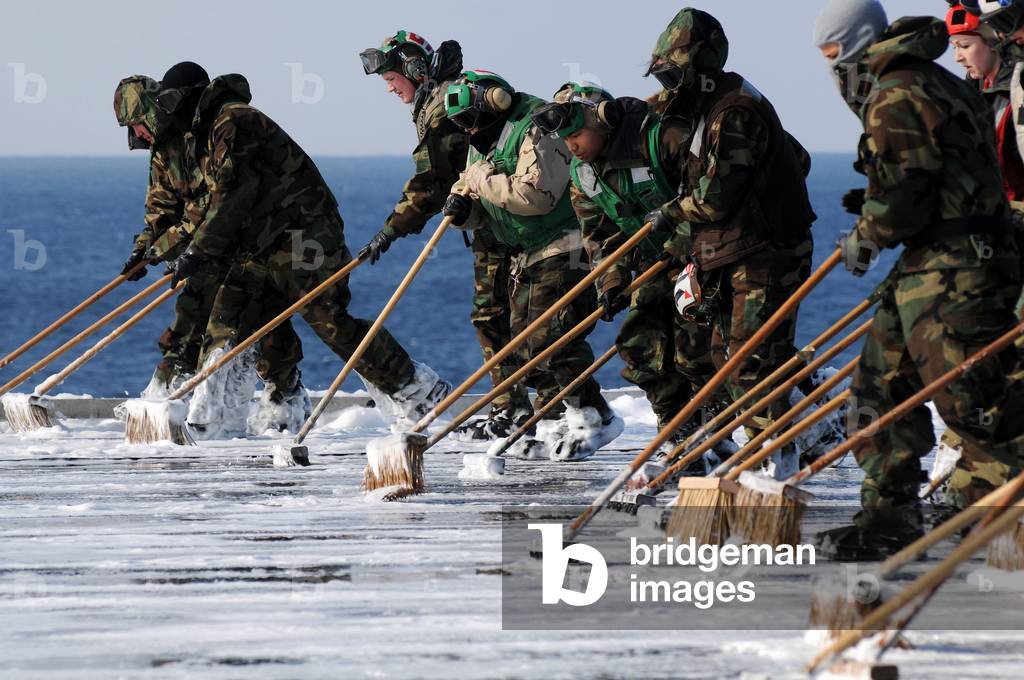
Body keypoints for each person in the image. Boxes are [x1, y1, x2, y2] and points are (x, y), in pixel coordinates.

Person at [814, 0, 1024, 559]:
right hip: (933, 259)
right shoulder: (926, 81)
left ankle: (998, 494)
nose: (832, 68)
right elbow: (934, 173)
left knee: (970, 398)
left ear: (858, 45)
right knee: (880, 386)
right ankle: (888, 516)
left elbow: (906, 194)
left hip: (959, 267)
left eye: (834, 53)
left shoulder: (897, 92)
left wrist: (867, 235)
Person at [154, 61, 450, 435]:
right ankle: (225, 418)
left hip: (305, 234)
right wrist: (189, 248)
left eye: (169, 102)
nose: (167, 113)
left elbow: (233, 196)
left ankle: (416, 389)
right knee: (233, 315)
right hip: (262, 241)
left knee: (329, 320)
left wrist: (198, 251)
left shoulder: (234, 122)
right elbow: (216, 200)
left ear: (189, 97)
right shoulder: (208, 129)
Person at [643, 9, 818, 464]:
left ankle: (773, 455)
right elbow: (797, 157)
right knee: (724, 355)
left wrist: (669, 213)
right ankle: (801, 422)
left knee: (750, 359)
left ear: (696, 65)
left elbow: (714, 201)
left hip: (766, 251)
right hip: (732, 250)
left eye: (670, 74)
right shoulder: (714, 103)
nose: (665, 86)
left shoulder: (733, 110)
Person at [534, 81, 733, 469]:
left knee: (695, 350)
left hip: (702, 254)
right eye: (565, 140)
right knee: (639, 344)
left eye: (576, 134)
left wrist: (677, 247)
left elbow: (708, 197)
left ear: (602, 120)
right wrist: (611, 281)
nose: (571, 146)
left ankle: (719, 431)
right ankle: (678, 433)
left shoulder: (660, 139)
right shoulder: (583, 175)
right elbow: (599, 236)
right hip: (651, 263)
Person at [357, 31, 532, 441]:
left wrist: (389, 231)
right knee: (508, 315)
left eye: (390, 78)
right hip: (502, 216)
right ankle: (522, 405)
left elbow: (429, 184)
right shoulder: (444, 98)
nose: (388, 88)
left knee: (495, 315)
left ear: (413, 70)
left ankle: (515, 409)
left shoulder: (441, 110)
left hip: (503, 222)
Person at [442, 70, 622, 461]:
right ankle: (560, 416)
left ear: (495, 103)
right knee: (525, 344)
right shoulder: (484, 140)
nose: (469, 132)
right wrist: (465, 212)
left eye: (471, 120)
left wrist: (477, 176)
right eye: (460, 125)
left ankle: (594, 416)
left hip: (565, 246)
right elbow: (489, 203)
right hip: (527, 252)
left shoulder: (535, 128)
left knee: (551, 337)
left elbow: (534, 197)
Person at [113, 74, 307, 434]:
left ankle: (280, 397)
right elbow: (161, 208)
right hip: (206, 247)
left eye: (139, 124)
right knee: (188, 318)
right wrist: (143, 249)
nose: (137, 135)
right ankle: (170, 396)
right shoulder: (161, 152)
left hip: (246, 240)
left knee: (255, 323)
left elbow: (212, 204)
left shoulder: (204, 137)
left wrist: (170, 248)